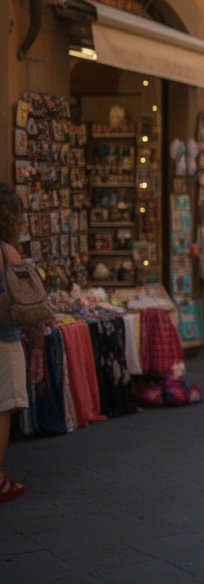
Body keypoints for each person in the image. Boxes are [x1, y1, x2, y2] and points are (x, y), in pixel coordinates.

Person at [0, 184, 43, 504]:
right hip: (4, 339)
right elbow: (30, 305)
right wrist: (38, 345)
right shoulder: (7, 253)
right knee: (2, 409)